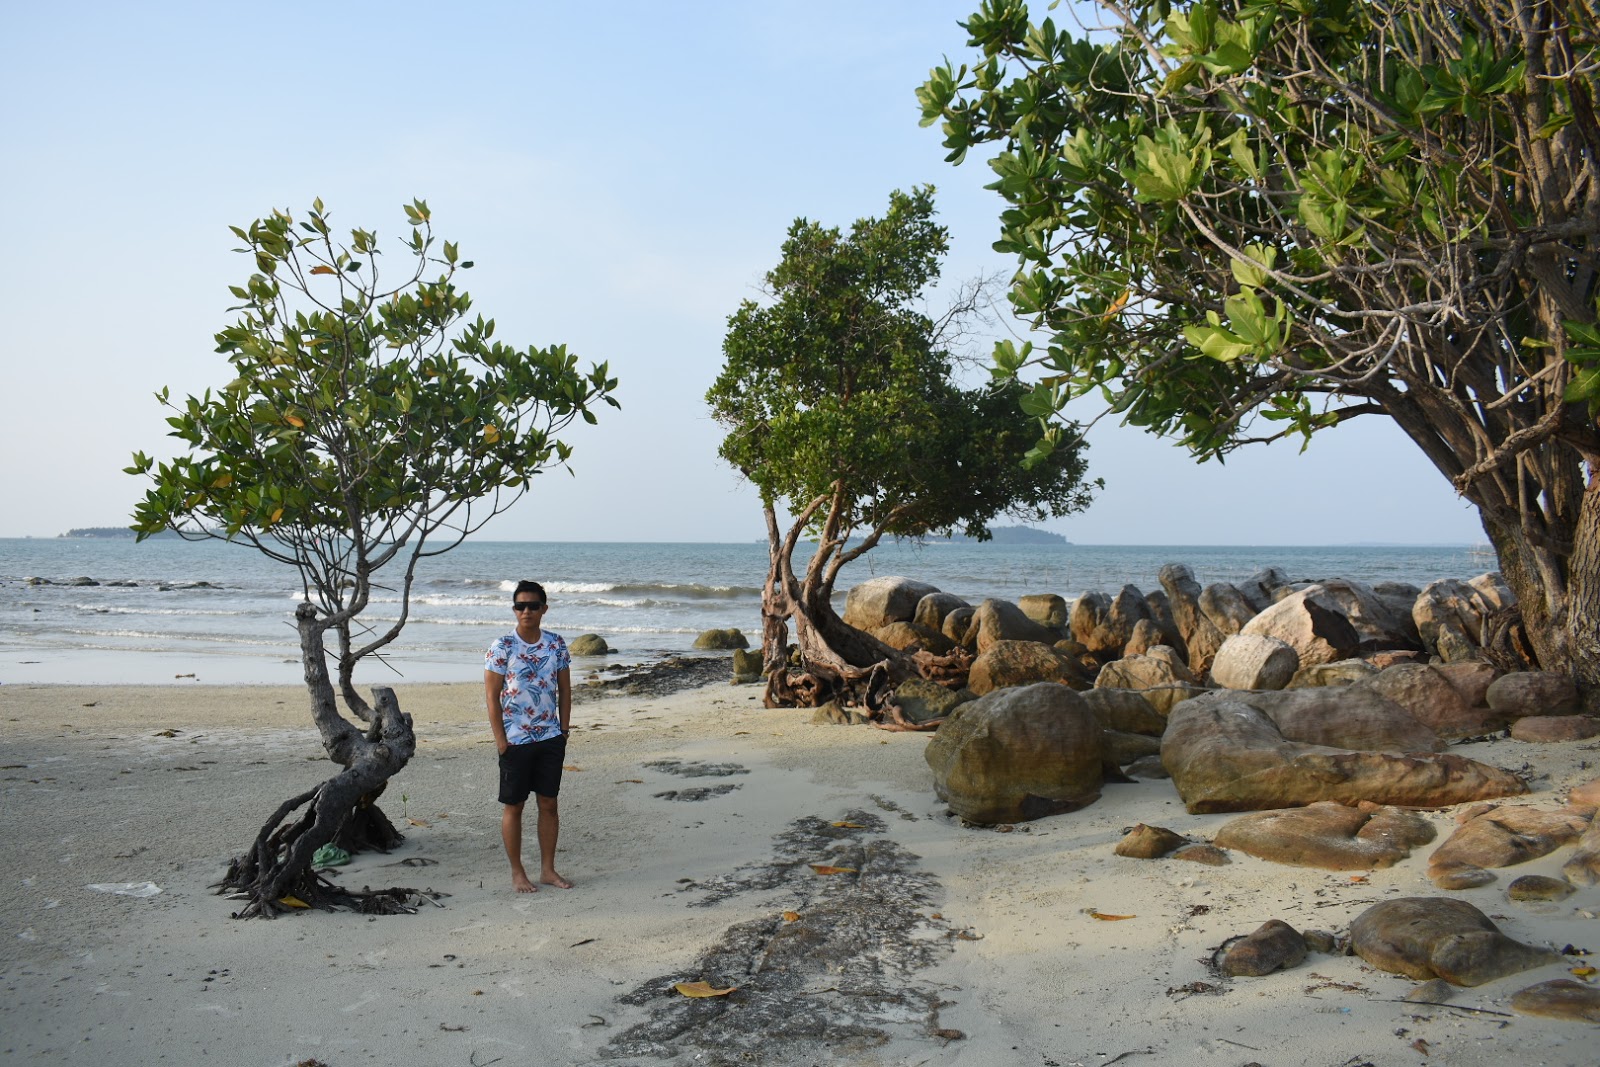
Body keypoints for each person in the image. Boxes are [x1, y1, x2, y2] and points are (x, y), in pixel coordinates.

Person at [485, 580, 574, 893]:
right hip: (515, 740)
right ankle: (517, 873)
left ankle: (548, 870)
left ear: (543, 609)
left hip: (550, 737)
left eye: (533, 605)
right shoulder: (502, 646)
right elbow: (492, 696)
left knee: (549, 804)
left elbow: (565, 689)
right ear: (514, 610)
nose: (526, 611)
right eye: (520, 606)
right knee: (515, 806)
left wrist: (563, 730)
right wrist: (501, 740)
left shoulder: (556, 644)